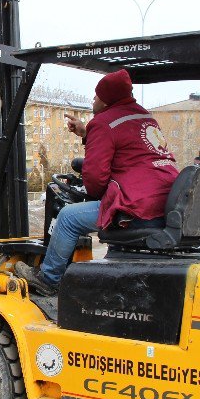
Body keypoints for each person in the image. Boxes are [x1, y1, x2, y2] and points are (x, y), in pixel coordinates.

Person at [16, 69, 178, 295]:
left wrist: (92, 134)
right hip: (166, 202)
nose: (94, 99)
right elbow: (128, 149)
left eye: (97, 95)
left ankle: (48, 278)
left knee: (68, 217)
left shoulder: (103, 123)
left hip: (138, 209)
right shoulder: (144, 117)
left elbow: (94, 181)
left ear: (107, 98)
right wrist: (86, 132)